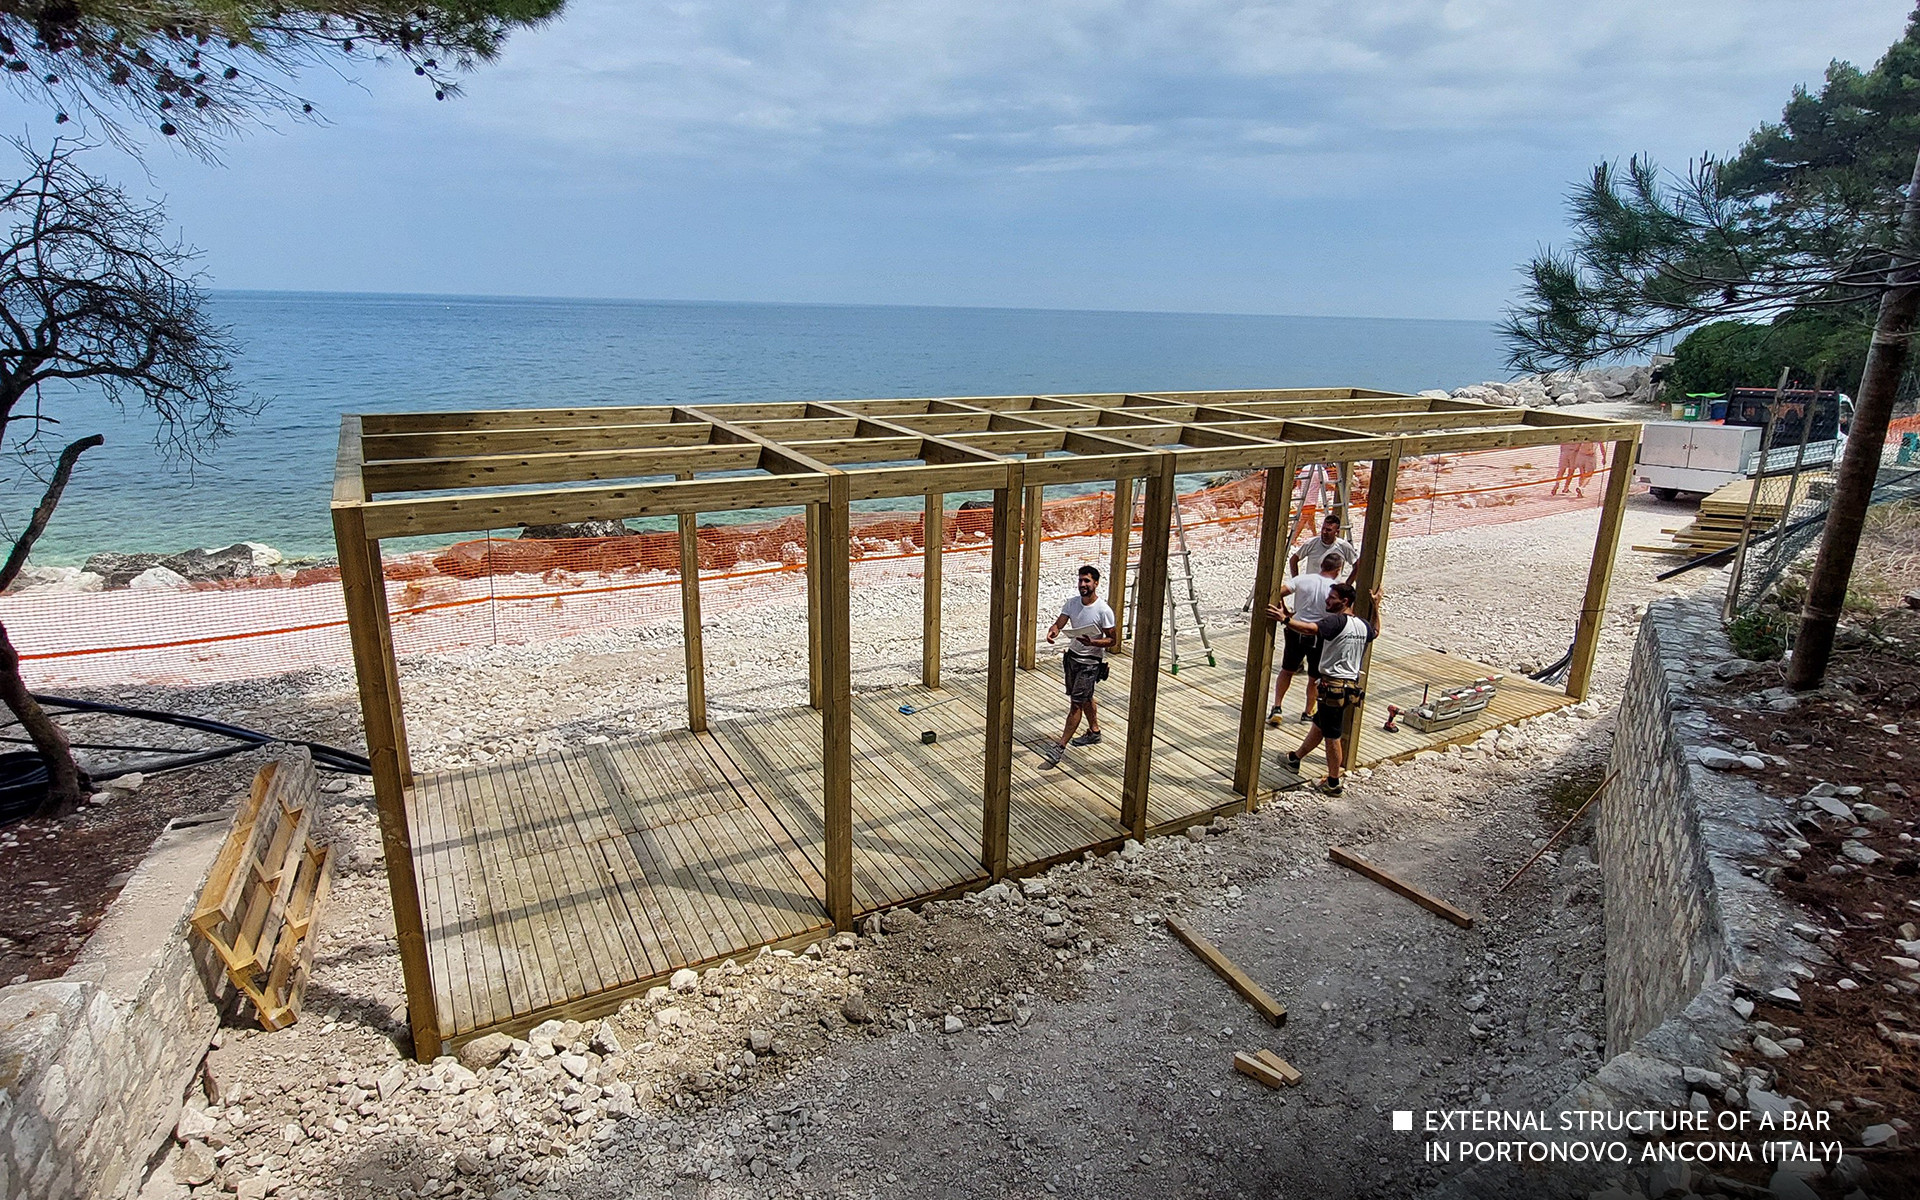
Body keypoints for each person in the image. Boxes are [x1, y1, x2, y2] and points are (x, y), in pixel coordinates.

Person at [1265, 581, 1381, 796]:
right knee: (1319, 724)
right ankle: (1294, 759)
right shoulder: (1362, 625)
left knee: (1332, 735)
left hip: (1333, 688)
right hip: (1349, 689)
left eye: (1332, 597)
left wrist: (1285, 619)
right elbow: (1375, 631)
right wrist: (1376, 607)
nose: (1327, 600)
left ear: (1344, 601)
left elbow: (1310, 629)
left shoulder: (1335, 621)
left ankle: (1334, 782)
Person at [1042, 565, 1117, 764]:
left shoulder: (1104, 611)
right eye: (1081, 580)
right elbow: (1059, 623)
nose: (1083, 584)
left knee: (1076, 704)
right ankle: (1094, 731)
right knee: (1085, 697)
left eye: (1087, 581)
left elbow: (1112, 640)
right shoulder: (1072, 603)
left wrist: (1092, 642)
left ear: (1096, 583)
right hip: (1072, 658)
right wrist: (1053, 631)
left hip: (1090, 663)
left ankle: (1060, 746)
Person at [1267, 551, 1342, 728]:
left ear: (1322, 565)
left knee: (1287, 670)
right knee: (1314, 677)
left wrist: (1285, 611)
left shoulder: (1302, 579)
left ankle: (1277, 706)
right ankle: (1308, 712)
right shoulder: (1335, 588)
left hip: (1295, 627)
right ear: (1338, 570)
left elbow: (1278, 592)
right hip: (1317, 633)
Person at [1289, 513, 1359, 581]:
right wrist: (1297, 582)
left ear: (1337, 532)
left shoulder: (1344, 546)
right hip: (1313, 587)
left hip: (1332, 588)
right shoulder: (1311, 543)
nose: (1324, 532)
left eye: (1329, 530)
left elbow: (1357, 564)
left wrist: (1348, 584)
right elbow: (1293, 560)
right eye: (1323, 528)